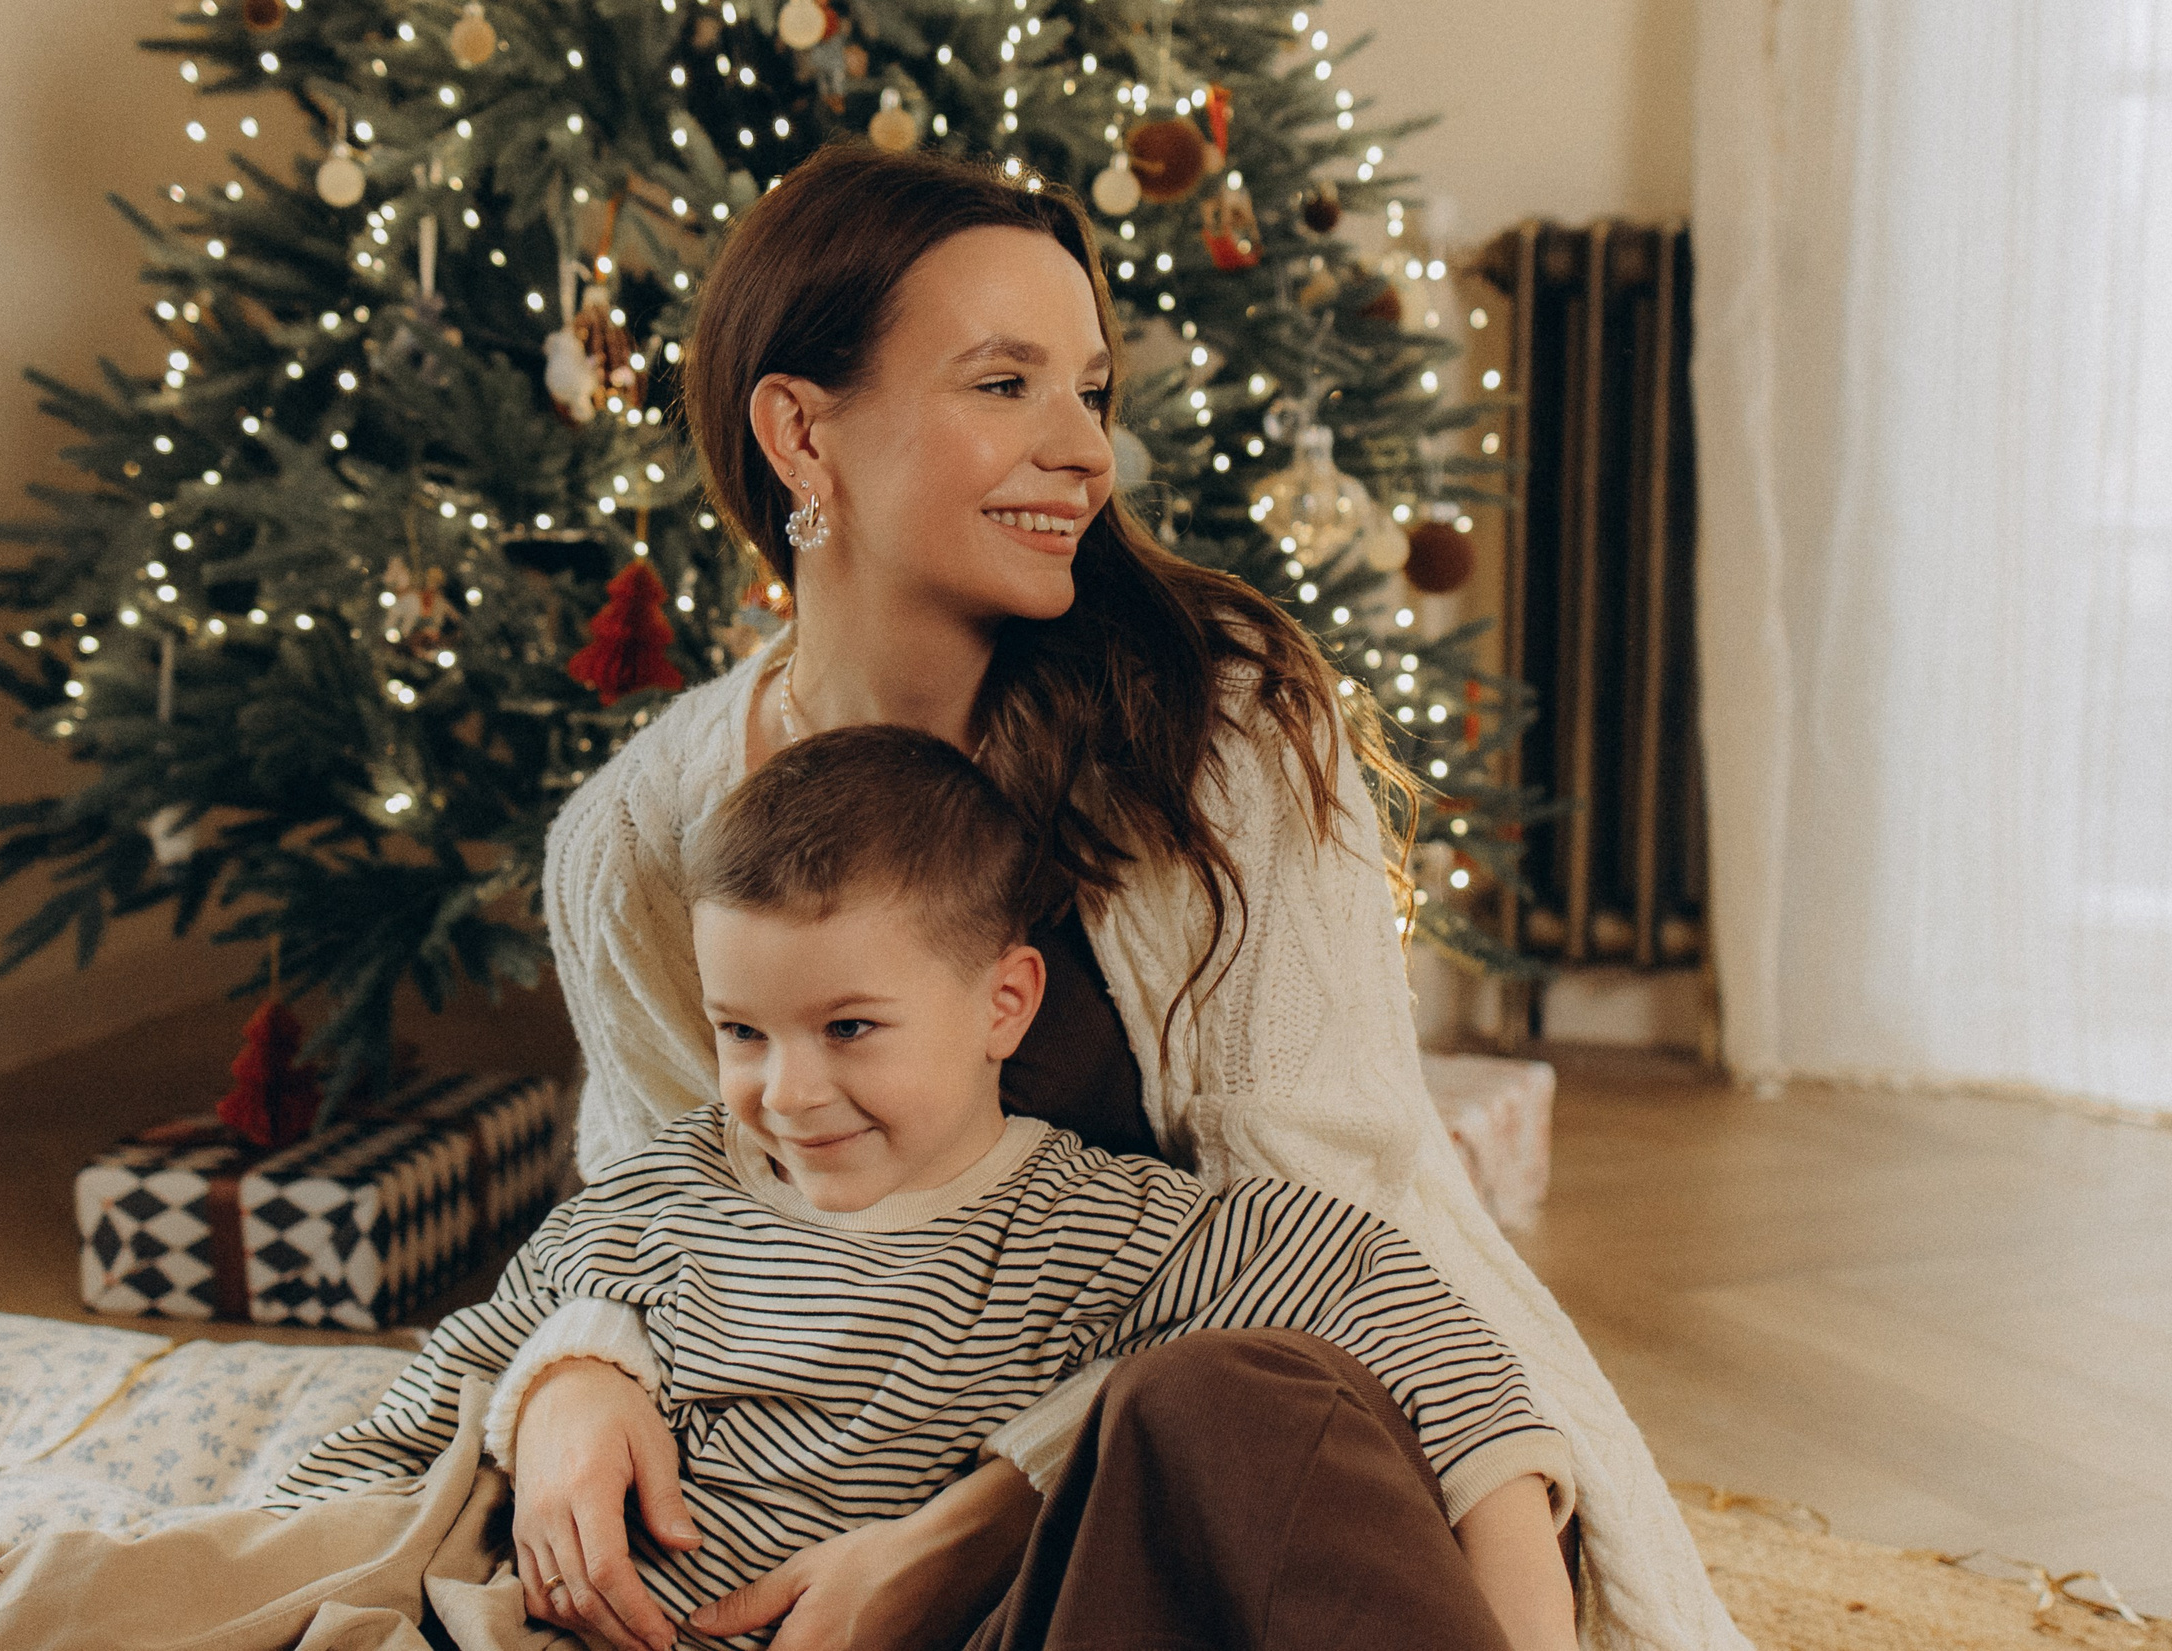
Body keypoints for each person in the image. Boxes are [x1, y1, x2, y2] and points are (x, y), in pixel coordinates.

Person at [507, 140, 1746, 1651]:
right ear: (801, 434)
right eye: (1003, 382)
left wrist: (969, 1523)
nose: (1089, 452)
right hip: (869, 1481)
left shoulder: (1220, 733)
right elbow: (659, 1216)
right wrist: (579, 1378)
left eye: (1090, 390)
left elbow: (1320, 1236)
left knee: (1210, 1404)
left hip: (1271, 1418)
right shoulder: (639, 833)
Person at [273, 725, 1580, 1651]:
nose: (786, 1093)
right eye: (742, 1033)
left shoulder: (1101, 1225)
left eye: (850, 1030)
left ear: (1003, 1004)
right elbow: (411, 1424)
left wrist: (1529, 1622)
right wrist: (559, 1385)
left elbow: (1414, 1332)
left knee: (1229, 1396)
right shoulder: (669, 1190)